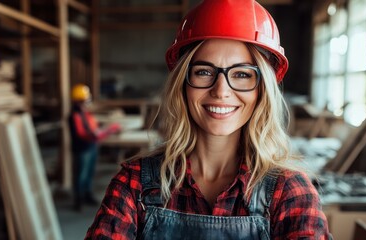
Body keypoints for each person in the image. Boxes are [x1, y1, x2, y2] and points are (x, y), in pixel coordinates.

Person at [85, 0, 333, 239]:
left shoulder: (289, 193)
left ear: (262, 90)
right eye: (204, 72)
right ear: (182, 84)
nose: (221, 90)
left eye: (242, 74)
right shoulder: (135, 184)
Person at [69, 84, 121, 211]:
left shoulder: (84, 113)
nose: (88, 102)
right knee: (81, 175)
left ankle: (87, 196)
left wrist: (102, 129)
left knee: (89, 173)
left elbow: (93, 128)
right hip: (83, 150)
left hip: (91, 148)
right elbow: (86, 134)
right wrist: (110, 130)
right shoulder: (74, 116)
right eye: (86, 99)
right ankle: (78, 201)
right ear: (79, 100)